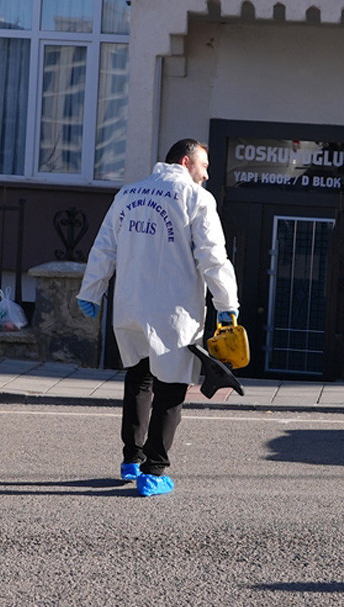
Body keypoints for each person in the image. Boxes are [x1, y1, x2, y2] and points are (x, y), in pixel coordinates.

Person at [75, 139, 239, 497]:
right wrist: (227, 302)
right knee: (172, 389)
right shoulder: (196, 199)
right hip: (172, 312)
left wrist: (91, 292)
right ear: (185, 162)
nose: (206, 173)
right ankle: (154, 470)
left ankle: (131, 459)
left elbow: (104, 247)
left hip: (131, 307)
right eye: (204, 165)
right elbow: (213, 257)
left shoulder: (128, 194)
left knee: (139, 379)